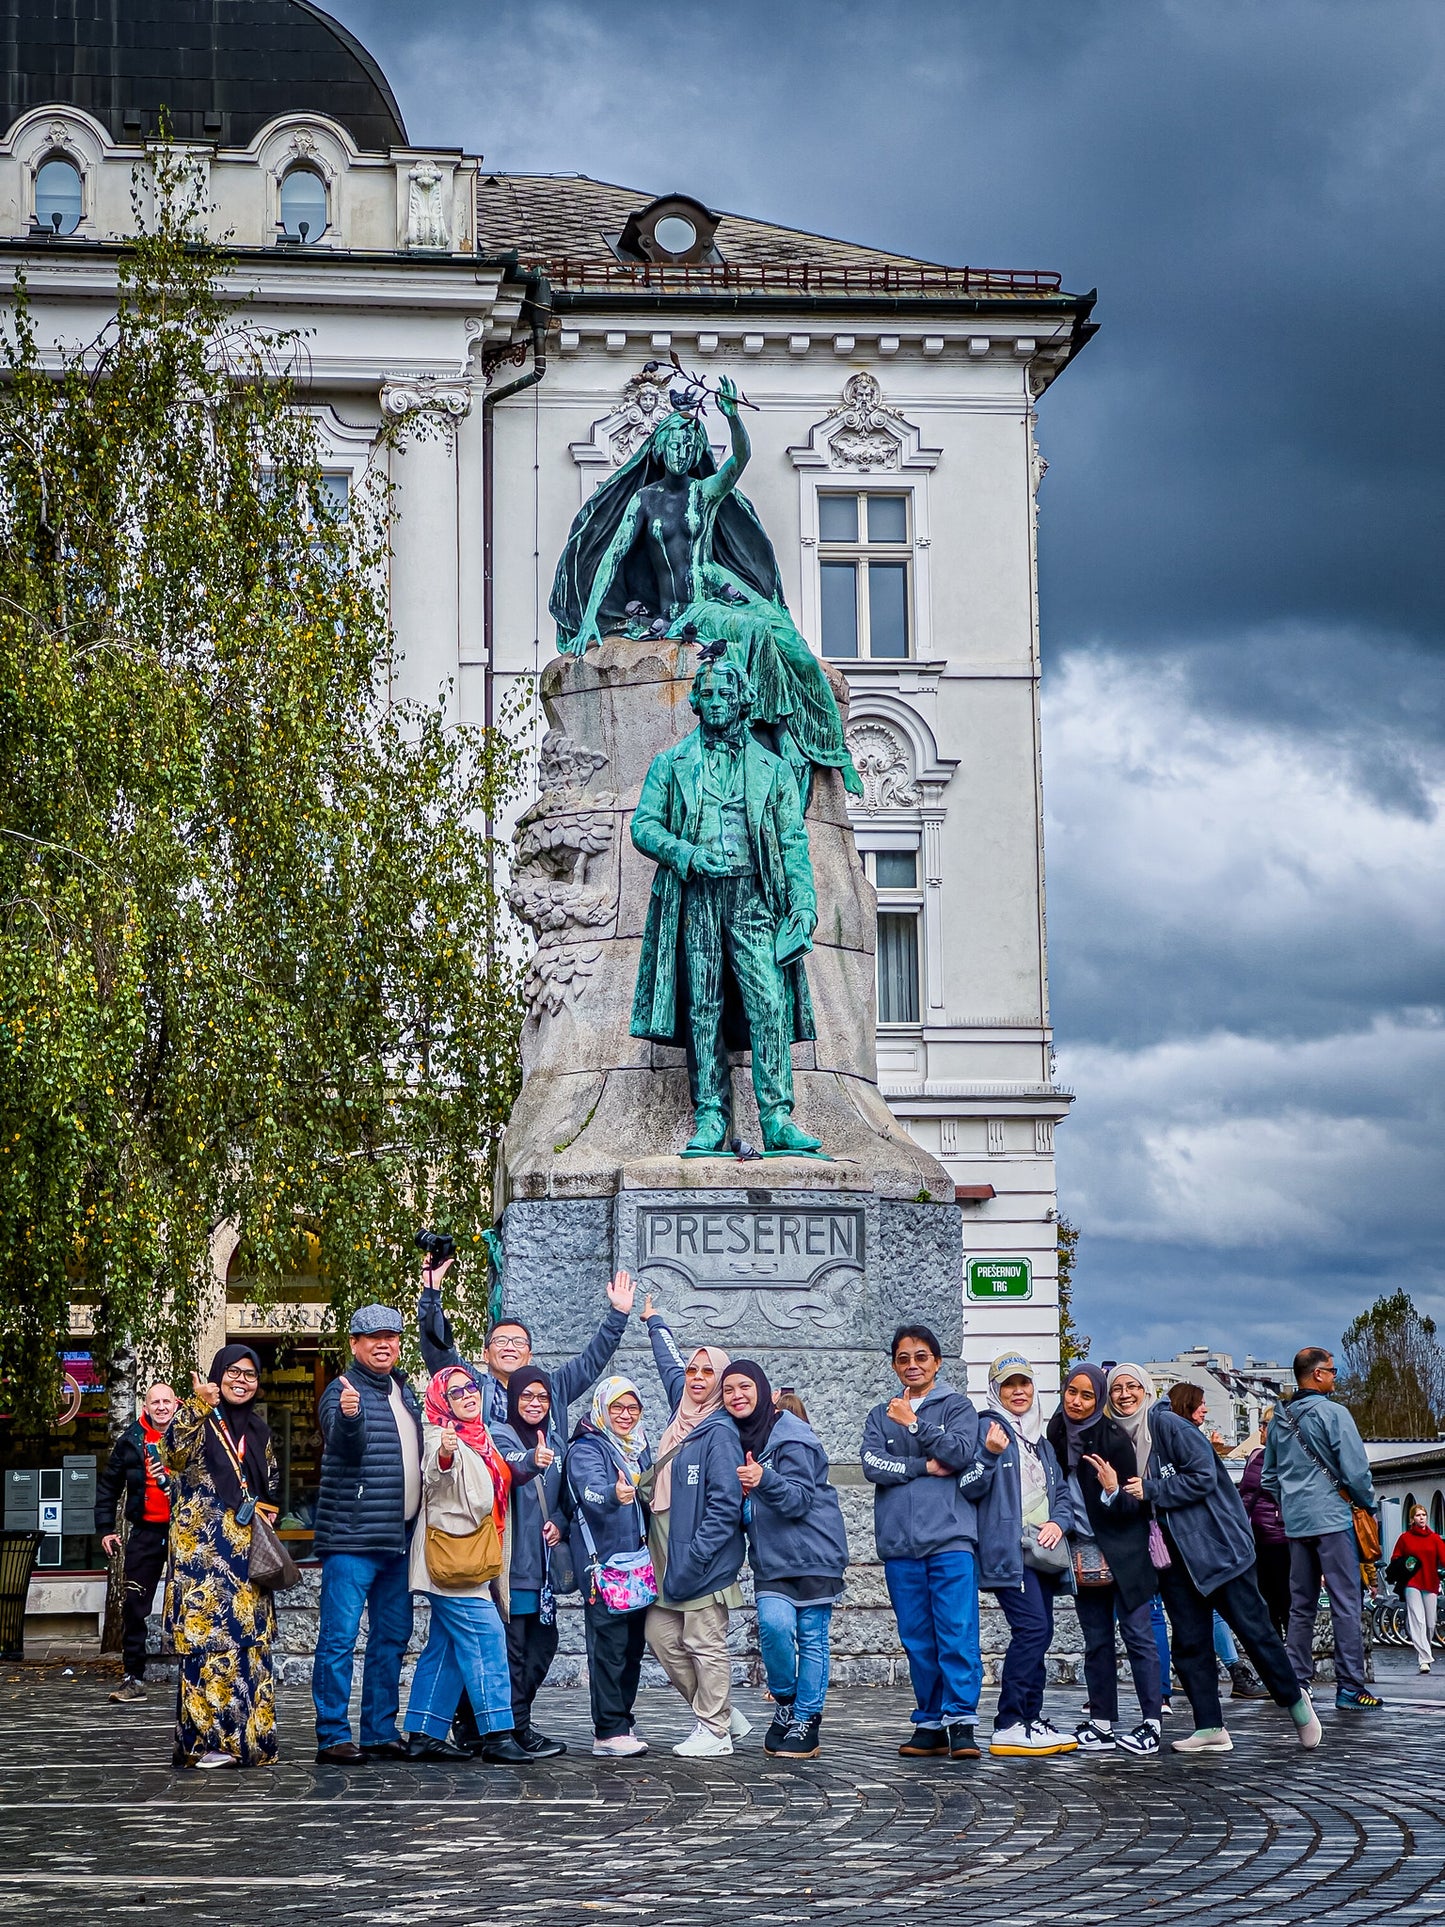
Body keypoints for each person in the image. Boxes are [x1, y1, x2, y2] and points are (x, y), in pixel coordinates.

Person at [418, 1258, 638, 1748]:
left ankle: (502, 1723)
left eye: (519, 1341)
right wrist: (431, 1296)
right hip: (485, 1537)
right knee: (488, 1639)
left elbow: (592, 1361)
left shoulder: (549, 1389)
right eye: (501, 1341)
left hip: (536, 1546)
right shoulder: (471, 1393)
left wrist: (618, 1315)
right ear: (485, 1353)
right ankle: (487, 1727)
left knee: (531, 1641)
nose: (510, 1347)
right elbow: (438, 1353)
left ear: (531, 1352)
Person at [629, 652, 822, 1155]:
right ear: (696, 700)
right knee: (703, 1006)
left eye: (726, 693)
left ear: (742, 700)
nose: (716, 702)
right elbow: (643, 826)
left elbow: (793, 842)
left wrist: (803, 904)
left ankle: (777, 1118)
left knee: (770, 1001)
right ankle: (711, 1116)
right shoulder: (671, 763)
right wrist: (687, 854)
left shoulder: (773, 770)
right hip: (697, 895)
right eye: (708, 693)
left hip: (753, 896)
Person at [1107, 1363, 1321, 1754]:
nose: (1124, 1394)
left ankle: (1295, 1702)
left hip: (1216, 1549)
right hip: (1173, 1560)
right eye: (1116, 1388)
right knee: (1190, 1643)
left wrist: (1153, 1490)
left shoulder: (1168, 1425)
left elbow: (1204, 1475)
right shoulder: (1118, 1440)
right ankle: (1210, 1726)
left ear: (1146, 1389)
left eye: (1132, 1385)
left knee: (1255, 1631)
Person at [860, 1323, 988, 1762]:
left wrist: (914, 1424)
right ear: (894, 1365)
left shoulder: (958, 1406)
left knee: (957, 1633)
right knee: (917, 1639)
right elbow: (872, 1464)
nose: (912, 1365)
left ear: (937, 1362)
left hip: (950, 1541)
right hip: (900, 1546)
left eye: (920, 1357)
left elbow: (959, 1454)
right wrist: (921, 1466)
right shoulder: (880, 1414)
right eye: (903, 1358)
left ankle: (961, 1722)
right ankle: (930, 1723)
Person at [311, 1305, 422, 1765]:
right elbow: (343, 1444)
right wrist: (351, 1416)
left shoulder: (404, 1390)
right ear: (354, 1344)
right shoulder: (342, 1390)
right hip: (352, 1540)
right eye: (373, 1337)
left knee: (391, 1638)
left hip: (398, 1539)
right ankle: (333, 1735)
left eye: (391, 1336)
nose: (383, 1344)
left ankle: (379, 1730)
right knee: (339, 1640)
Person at [403, 1368, 530, 1763]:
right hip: (453, 1561)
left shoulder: (480, 1433)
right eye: (455, 1393)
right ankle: (497, 1734)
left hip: (474, 1556)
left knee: (446, 1646)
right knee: (487, 1637)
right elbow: (435, 1476)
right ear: (442, 1401)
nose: (467, 1395)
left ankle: (424, 1732)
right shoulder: (440, 1434)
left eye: (470, 1387)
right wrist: (444, 1454)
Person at [724, 1363, 848, 1760]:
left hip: (813, 1554)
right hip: (771, 1557)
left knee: (811, 1637)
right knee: (774, 1627)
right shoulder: (732, 1437)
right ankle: (787, 1701)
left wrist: (763, 1479)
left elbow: (798, 1500)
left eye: (745, 1386)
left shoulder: (794, 1437)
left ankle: (806, 1718)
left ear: (762, 1390)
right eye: (729, 1389)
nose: (737, 1395)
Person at [163, 1347, 278, 1768]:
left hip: (248, 1559)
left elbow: (271, 1482)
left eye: (250, 1374)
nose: (241, 1381)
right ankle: (209, 1745)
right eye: (233, 1372)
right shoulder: (198, 1422)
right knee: (208, 1648)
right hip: (204, 1559)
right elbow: (171, 1454)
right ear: (217, 1375)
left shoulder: (259, 1430)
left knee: (250, 1648)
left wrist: (269, 1508)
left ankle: (251, 1744)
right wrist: (198, 1405)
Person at [641, 1309, 748, 1756]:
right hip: (664, 1547)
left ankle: (715, 1730)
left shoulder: (719, 1432)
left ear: (721, 1383)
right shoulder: (681, 1411)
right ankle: (722, 1715)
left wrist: (696, 1556)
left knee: (704, 1641)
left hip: (698, 1554)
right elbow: (669, 1363)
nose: (698, 1378)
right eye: (693, 1370)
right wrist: (654, 1321)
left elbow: (725, 1505)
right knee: (661, 1636)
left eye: (709, 1372)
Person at [1046, 1363, 1161, 1755]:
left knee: (1138, 1636)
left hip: (1125, 1552)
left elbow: (1135, 1506)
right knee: (1096, 1640)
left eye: (1087, 1395)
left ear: (1098, 1400)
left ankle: (1151, 1722)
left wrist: (1112, 1490)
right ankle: (1102, 1722)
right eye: (1071, 1392)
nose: (1077, 1402)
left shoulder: (1113, 1438)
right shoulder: (1057, 1432)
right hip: (1083, 1554)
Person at [969, 1354, 1078, 1758]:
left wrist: (1059, 1523)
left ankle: (1030, 1718)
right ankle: (1009, 1723)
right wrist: (988, 1454)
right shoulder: (986, 1429)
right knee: (1032, 1629)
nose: (1018, 1391)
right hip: (1009, 1552)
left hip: (1042, 1553)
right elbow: (968, 1487)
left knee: (1041, 1632)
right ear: (995, 1390)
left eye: (1024, 1383)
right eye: (1009, 1384)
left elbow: (1061, 1493)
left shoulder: (1041, 1442)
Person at [1262, 1346, 1382, 1712]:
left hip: (1297, 1524)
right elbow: (1356, 1471)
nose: (1334, 1376)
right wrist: (1365, 1504)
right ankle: (1350, 1688)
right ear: (1317, 1374)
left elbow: (1269, 1478)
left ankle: (1297, 1683)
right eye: (1332, 1371)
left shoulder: (1280, 1419)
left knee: (1301, 1606)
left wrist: (1291, 1505)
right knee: (1346, 1603)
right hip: (1333, 1519)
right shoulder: (1334, 1413)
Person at [566, 1373, 654, 1756]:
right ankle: (608, 1730)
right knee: (609, 1648)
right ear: (602, 1407)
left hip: (636, 1565)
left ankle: (622, 1721)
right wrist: (613, 1494)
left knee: (632, 1648)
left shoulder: (638, 1448)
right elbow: (590, 1491)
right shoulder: (587, 1448)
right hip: (603, 1566)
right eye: (617, 1407)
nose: (625, 1415)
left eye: (632, 1408)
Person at [1167, 1383, 1268, 1699]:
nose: (1205, 1409)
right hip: (1200, 1543)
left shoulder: (1187, 1438)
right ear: (1186, 1405)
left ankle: (1197, 1674)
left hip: (1205, 1542)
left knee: (1205, 1613)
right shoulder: (1180, 1439)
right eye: (1200, 1403)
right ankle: (1234, 1672)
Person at [490, 1367, 568, 1758]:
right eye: (527, 1396)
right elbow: (513, 1466)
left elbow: (565, 1502)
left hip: (544, 1571)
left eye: (542, 1397)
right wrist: (533, 1460)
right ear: (513, 1399)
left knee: (543, 1644)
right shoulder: (499, 1434)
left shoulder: (556, 1441)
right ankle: (516, 1729)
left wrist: (560, 1524)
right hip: (514, 1567)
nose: (535, 1404)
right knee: (516, 1650)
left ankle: (510, 1720)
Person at [97, 1380, 179, 1704]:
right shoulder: (131, 1440)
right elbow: (109, 1486)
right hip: (146, 1531)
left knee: (193, 1603)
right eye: (154, 1402)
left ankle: (198, 1676)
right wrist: (106, 1529)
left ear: (176, 1404)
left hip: (185, 1531)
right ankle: (133, 1678)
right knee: (133, 1604)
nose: (161, 1407)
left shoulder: (192, 1435)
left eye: (166, 1401)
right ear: (145, 1407)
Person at [1240, 1406, 1291, 1636]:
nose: (1260, 1429)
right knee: (1276, 1597)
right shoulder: (1257, 1455)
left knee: (1275, 1598)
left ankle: (1281, 1646)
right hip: (1267, 1537)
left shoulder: (1279, 1458)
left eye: (1264, 1424)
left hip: (1273, 1537)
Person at [1387, 1504, 1444, 1672]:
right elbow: (1395, 1558)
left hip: (1430, 1582)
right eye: (1418, 1515)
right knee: (1417, 1619)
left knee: (1430, 1623)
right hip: (1412, 1582)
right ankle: (1424, 1659)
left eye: (1424, 1515)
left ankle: (1425, 1651)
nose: (1422, 1518)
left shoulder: (1435, 1538)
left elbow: (1443, 1559)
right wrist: (1407, 1564)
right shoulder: (1405, 1538)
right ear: (1412, 1519)